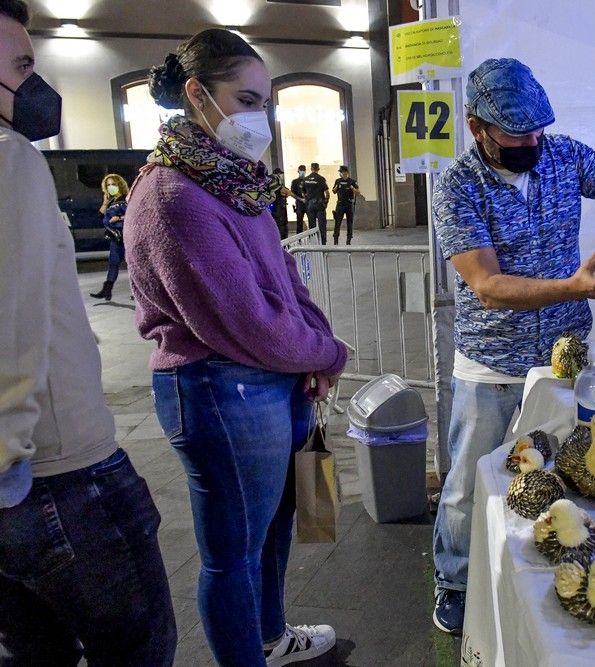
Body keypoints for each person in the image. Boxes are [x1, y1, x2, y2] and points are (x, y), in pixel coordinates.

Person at [430, 58, 595, 635]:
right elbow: (487, 287)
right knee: (471, 481)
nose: (533, 142)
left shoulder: (565, 155)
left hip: (563, 360)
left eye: (539, 129)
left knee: (564, 472)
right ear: (478, 128)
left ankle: (547, 561)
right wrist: (576, 287)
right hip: (490, 363)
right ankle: (454, 577)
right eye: (518, 134)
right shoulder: (457, 186)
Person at [129, 29, 349, 666]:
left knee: (273, 530)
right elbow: (243, 320)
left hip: (266, 379)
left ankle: (270, 638)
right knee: (233, 553)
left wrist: (314, 347)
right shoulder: (174, 195)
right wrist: (322, 353)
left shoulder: (233, 182)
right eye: (246, 100)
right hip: (218, 386)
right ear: (197, 96)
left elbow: (281, 275)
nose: (260, 119)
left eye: (264, 103)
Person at [0, 1, 177, 664]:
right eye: (21, 67)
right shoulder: (8, 155)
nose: (35, 85)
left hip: (28, 475)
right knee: (139, 646)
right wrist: (7, 460)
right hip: (60, 471)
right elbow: (11, 318)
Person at [90, 173, 128, 300]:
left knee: (134, 266)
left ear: (120, 185)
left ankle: (141, 292)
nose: (111, 187)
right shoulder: (111, 201)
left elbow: (134, 214)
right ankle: (107, 290)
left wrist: (120, 217)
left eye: (113, 184)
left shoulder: (127, 198)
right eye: (108, 185)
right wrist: (105, 203)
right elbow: (101, 216)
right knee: (113, 263)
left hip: (127, 237)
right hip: (115, 238)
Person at [302, 162, 330, 243]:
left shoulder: (306, 179)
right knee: (322, 226)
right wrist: (326, 203)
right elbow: (327, 193)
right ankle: (323, 246)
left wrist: (308, 201)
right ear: (318, 169)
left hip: (310, 205)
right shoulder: (321, 179)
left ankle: (313, 245)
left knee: (312, 227)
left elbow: (303, 193)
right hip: (320, 204)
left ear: (311, 169)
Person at [331, 164, 359, 245]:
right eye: (341, 172)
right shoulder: (338, 181)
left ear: (347, 172)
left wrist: (352, 188)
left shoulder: (352, 181)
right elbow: (333, 191)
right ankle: (336, 240)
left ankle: (349, 240)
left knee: (349, 223)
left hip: (349, 204)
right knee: (337, 223)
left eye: (344, 172)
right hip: (340, 204)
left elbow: (358, 192)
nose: (343, 174)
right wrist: (337, 187)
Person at [271, 167, 289, 239]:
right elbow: (286, 192)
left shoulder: (278, 184)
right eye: (280, 174)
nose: (281, 175)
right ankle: (282, 241)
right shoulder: (275, 183)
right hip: (278, 207)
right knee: (280, 225)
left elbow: (286, 191)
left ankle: (284, 240)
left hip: (280, 206)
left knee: (283, 224)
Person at [290, 164, 308, 234]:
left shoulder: (308, 180)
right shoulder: (295, 182)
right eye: (301, 170)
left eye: (303, 170)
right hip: (299, 204)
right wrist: (300, 199)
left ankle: (311, 239)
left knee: (311, 221)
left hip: (308, 204)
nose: (302, 172)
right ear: (298, 171)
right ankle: (299, 240)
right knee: (299, 222)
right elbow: (292, 193)